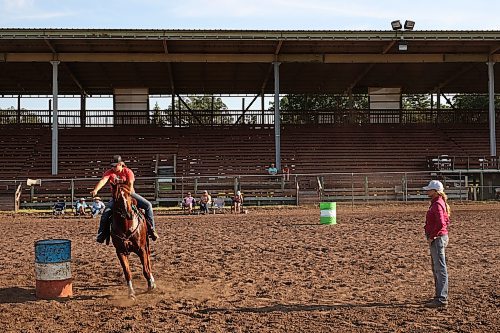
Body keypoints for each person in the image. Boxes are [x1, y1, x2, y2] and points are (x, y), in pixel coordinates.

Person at [91, 155, 159, 243]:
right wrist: (96, 190)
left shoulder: (128, 171)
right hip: (116, 198)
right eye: (112, 166)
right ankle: (101, 234)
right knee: (106, 212)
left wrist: (128, 193)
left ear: (120, 164)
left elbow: (130, 183)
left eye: (115, 166)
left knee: (148, 205)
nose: (113, 168)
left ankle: (151, 229)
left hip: (130, 194)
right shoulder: (109, 172)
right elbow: (103, 180)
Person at [422, 180, 451, 308]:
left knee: (439, 268)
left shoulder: (437, 204)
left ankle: (441, 298)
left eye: (429, 189)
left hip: (437, 238)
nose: (427, 191)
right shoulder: (439, 202)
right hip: (440, 237)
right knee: (438, 267)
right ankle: (439, 295)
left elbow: (441, 223)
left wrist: (432, 236)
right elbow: (446, 221)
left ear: (435, 191)